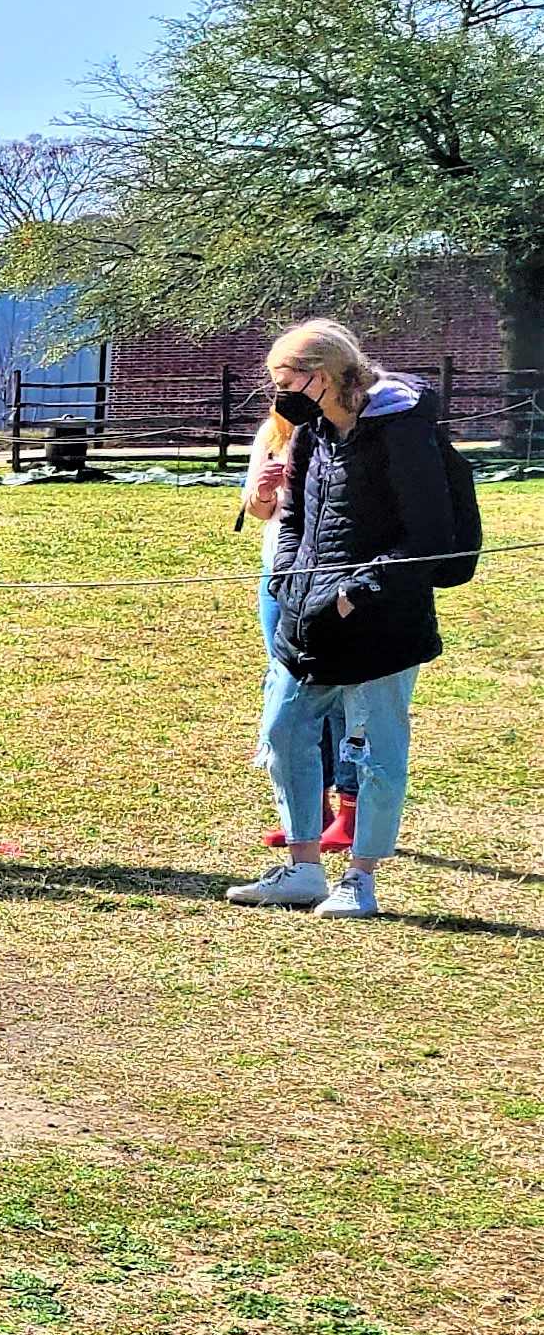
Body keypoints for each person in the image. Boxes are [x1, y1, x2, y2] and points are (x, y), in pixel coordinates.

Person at [229, 320, 450, 918]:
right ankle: (303, 870)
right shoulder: (308, 434)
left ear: (322, 376)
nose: (280, 392)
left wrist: (359, 590)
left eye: (287, 379)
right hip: (308, 615)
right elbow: (296, 518)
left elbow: (431, 535)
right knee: (284, 732)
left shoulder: (402, 433)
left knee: (378, 747)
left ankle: (361, 880)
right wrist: (290, 584)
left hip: (384, 621)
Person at [243, 390, 360, 854]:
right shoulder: (272, 434)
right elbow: (257, 508)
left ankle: (351, 808)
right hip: (280, 575)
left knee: (338, 694)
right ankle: (313, 810)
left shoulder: (346, 435)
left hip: (332, 577)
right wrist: (265, 491)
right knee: (287, 686)